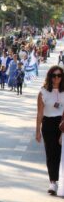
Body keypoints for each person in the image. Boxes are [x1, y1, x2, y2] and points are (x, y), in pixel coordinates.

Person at [36, 66, 64, 195]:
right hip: (48, 124)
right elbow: (40, 113)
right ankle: (53, 182)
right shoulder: (43, 92)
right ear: (50, 76)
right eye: (54, 75)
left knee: (61, 154)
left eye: (59, 75)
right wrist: (37, 131)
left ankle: (61, 181)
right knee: (51, 153)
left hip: (62, 123)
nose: (57, 78)